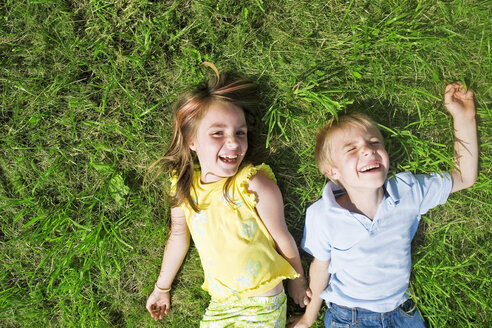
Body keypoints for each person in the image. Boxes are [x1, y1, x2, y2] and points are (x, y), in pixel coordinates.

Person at [287, 82, 478, 328]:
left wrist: (464, 119)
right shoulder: (323, 215)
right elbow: (320, 267)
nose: (368, 150)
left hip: (402, 314)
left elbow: (464, 177)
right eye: (351, 149)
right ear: (333, 171)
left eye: (375, 142)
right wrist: (307, 318)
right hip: (350, 317)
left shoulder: (408, 191)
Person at [145, 63, 310, 327]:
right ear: (192, 141)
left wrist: (298, 281)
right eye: (218, 133)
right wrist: (162, 287)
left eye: (240, 133)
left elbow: (282, 237)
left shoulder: (253, 184)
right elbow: (178, 236)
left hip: (262, 302)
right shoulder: (184, 187)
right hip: (221, 304)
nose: (233, 143)